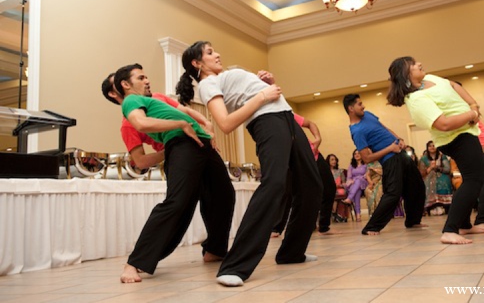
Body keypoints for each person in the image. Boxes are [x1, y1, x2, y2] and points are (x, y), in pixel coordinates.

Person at [176, 41, 323, 287]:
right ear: (196, 63)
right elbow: (224, 123)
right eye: (210, 52)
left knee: (312, 185)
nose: (218, 53)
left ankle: (291, 253)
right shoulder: (207, 84)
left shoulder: (225, 76)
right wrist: (262, 95)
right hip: (266, 121)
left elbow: (250, 94)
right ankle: (234, 266)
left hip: (286, 117)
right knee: (274, 184)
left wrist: (264, 83)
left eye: (215, 49)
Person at [111, 64, 235, 283]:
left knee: (223, 194)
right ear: (125, 85)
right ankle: (134, 263)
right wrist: (181, 124)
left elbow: (185, 110)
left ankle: (215, 249)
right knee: (177, 203)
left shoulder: (155, 99)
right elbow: (140, 123)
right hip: (181, 145)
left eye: (147, 75)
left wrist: (205, 124)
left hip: (202, 145)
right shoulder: (132, 100)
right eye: (141, 77)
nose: (147, 80)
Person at [387, 56, 484, 244]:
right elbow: (443, 124)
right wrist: (471, 114)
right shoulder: (416, 99)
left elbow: (453, 85)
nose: (419, 64)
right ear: (406, 74)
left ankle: (464, 225)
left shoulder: (431, 79)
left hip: (466, 131)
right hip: (455, 137)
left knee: (472, 178)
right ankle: (449, 230)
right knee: (475, 178)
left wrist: (473, 104)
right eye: (413, 65)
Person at [343, 94, 426, 236]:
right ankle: (371, 227)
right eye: (359, 104)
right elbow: (367, 158)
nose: (363, 106)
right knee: (393, 194)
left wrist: (398, 138)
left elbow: (384, 128)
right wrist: (390, 149)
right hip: (390, 160)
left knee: (417, 186)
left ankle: (413, 221)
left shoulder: (368, 115)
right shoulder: (357, 131)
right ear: (351, 108)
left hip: (401, 154)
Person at [271, 112, 337, 236]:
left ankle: (324, 226)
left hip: (314, 155)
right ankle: (277, 227)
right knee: (289, 193)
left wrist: (318, 138)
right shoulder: (269, 122)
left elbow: (310, 123)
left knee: (329, 188)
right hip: (292, 161)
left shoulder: (288, 114)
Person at [419, 141, 452, 216]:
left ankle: (445, 206)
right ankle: (431, 207)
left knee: (444, 181)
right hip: (428, 176)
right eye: (430, 146)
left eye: (434, 145)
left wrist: (437, 167)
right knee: (429, 182)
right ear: (427, 148)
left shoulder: (442, 156)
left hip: (442, 174)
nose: (432, 147)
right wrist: (430, 168)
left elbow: (447, 169)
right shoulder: (423, 158)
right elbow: (421, 172)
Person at [342, 149, 368, 221]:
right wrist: (351, 181)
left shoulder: (366, 164)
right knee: (357, 192)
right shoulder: (351, 166)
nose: (356, 155)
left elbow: (366, 175)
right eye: (355, 154)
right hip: (354, 185)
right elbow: (349, 177)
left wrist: (357, 179)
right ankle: (358, 215)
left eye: (358, 153)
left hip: (364, 183)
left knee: (358, 180)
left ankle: (349, 198)